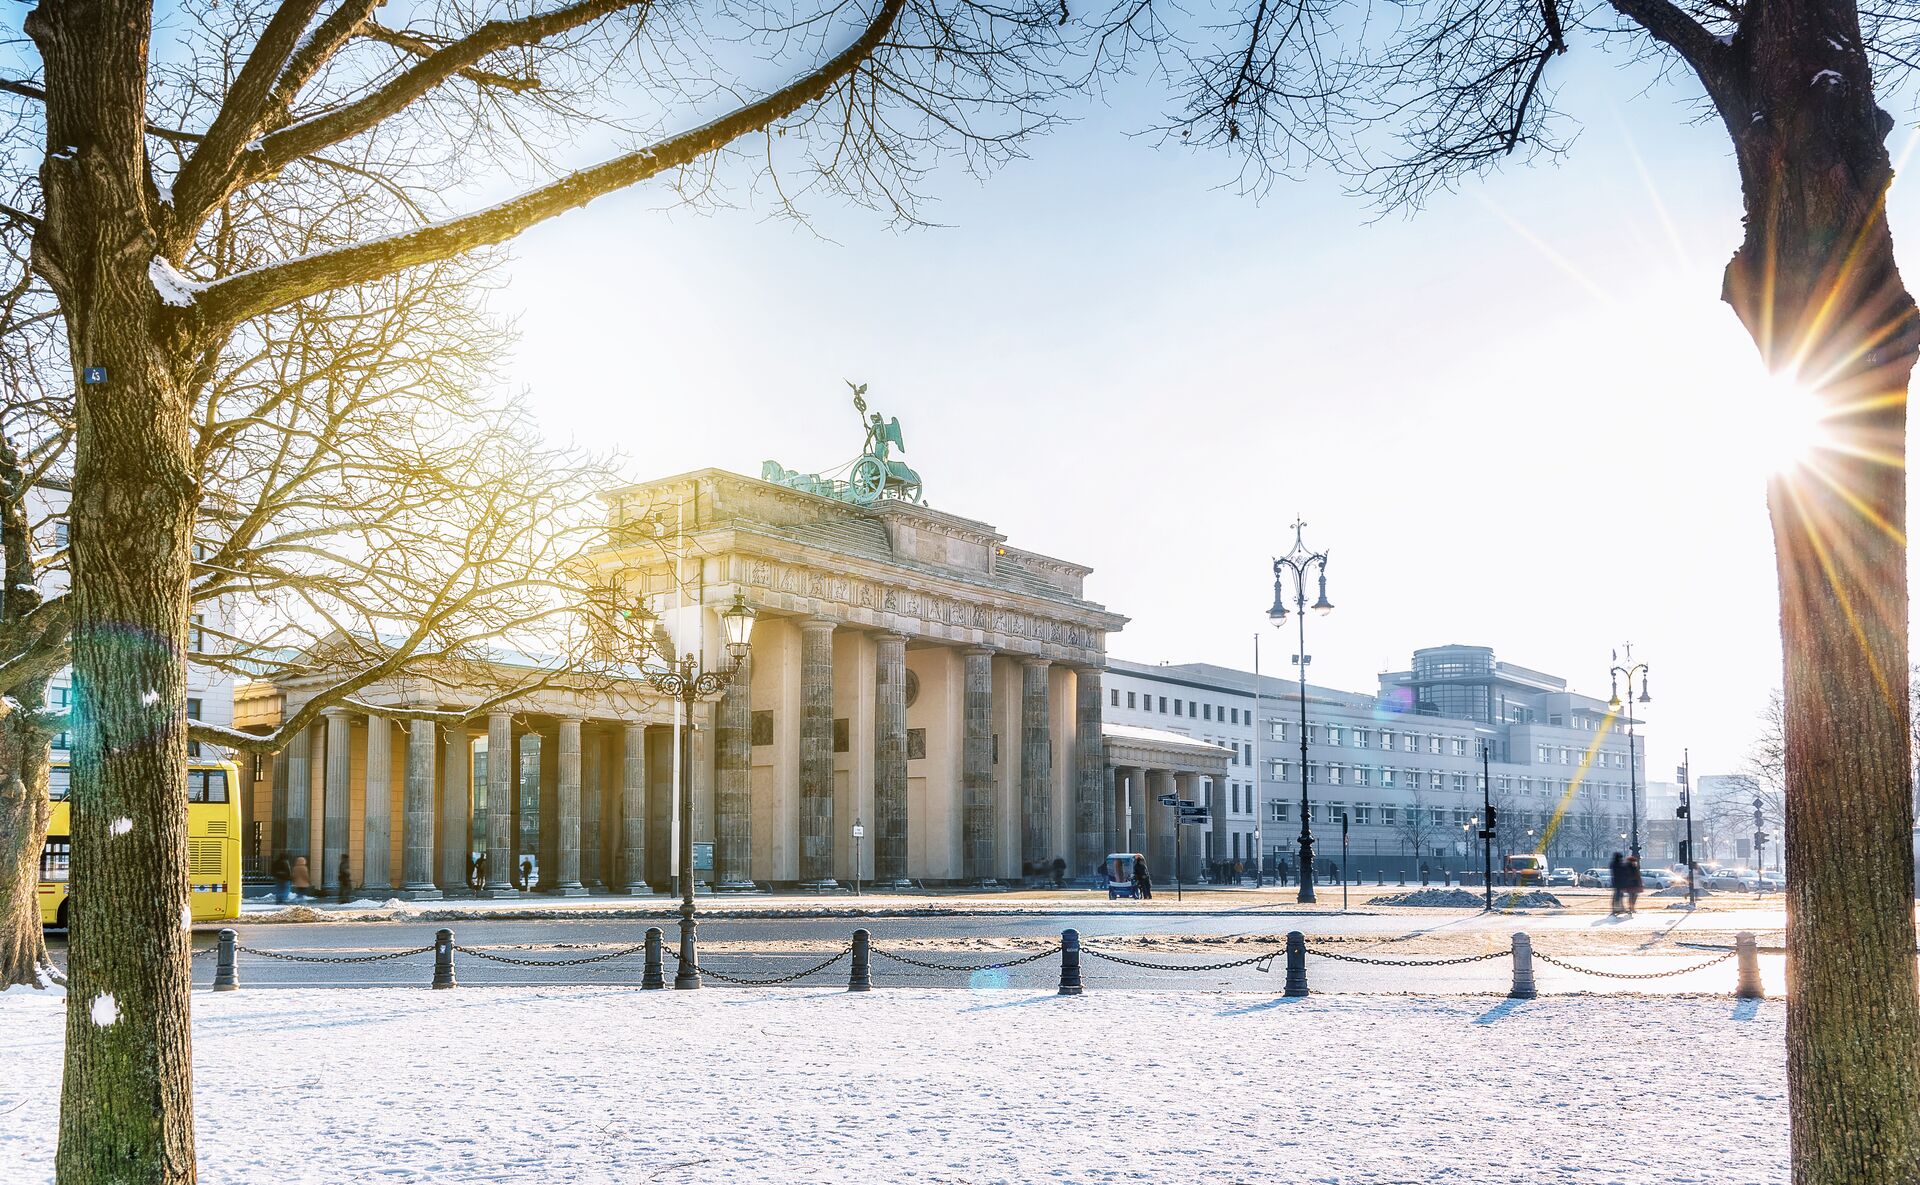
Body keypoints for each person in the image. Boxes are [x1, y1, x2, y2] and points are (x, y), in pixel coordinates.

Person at [1608, 851, 1627, 915]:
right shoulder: (1620, 864)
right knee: (1619, 896)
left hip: (1615, 881)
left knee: (1617, 895)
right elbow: (1623, 872)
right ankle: (1618, 908)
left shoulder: (1613, 864)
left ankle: (1616, 909)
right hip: (1620, 881)